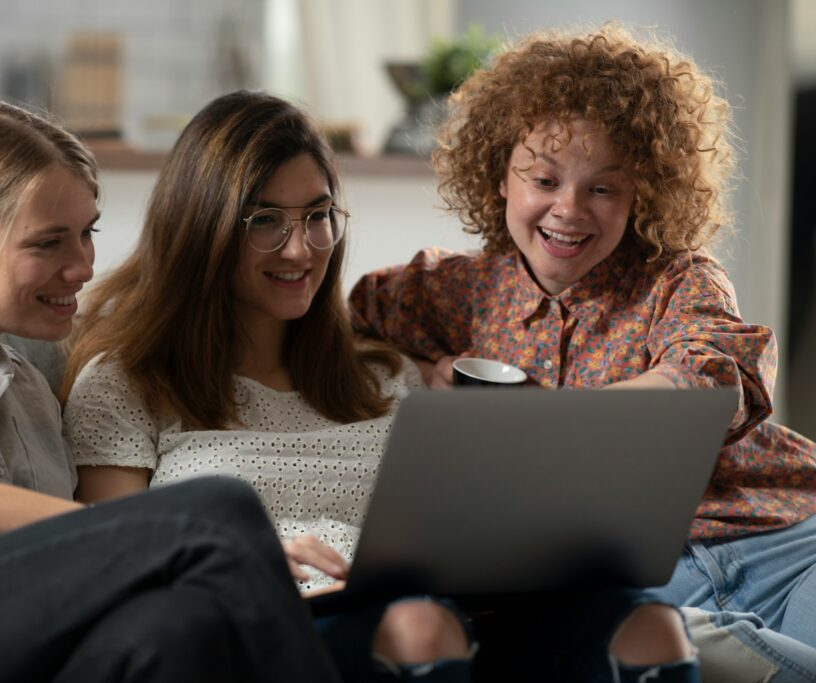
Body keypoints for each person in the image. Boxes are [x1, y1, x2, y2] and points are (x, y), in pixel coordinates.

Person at [61, 90, 698, 683]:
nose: (300, 249)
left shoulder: (383, 376)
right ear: (202, 227)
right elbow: (122, 553)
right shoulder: (127, 382)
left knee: (651, 628)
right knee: (418, 628)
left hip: (456, 609)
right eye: (265, 221)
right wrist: (239, 556)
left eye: (318, 216)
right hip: (269, 622)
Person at [0, 98, 339, 683]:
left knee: (175, 622)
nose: (82, 266)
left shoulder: (30, 389)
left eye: (87, 233)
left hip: (3, 632)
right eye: (49, 242)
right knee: (218, 509)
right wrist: (174, 538)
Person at [349, 24, 816, 683]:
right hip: (652, 575)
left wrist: (555, 423)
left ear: (643, 195)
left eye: (603, 188)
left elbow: (710, 379)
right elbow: (347, 325)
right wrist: (415, 370)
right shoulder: (457, 288)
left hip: (788, 537)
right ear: (499, 177)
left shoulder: (679, 278)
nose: (567, 210)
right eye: (544, 178)